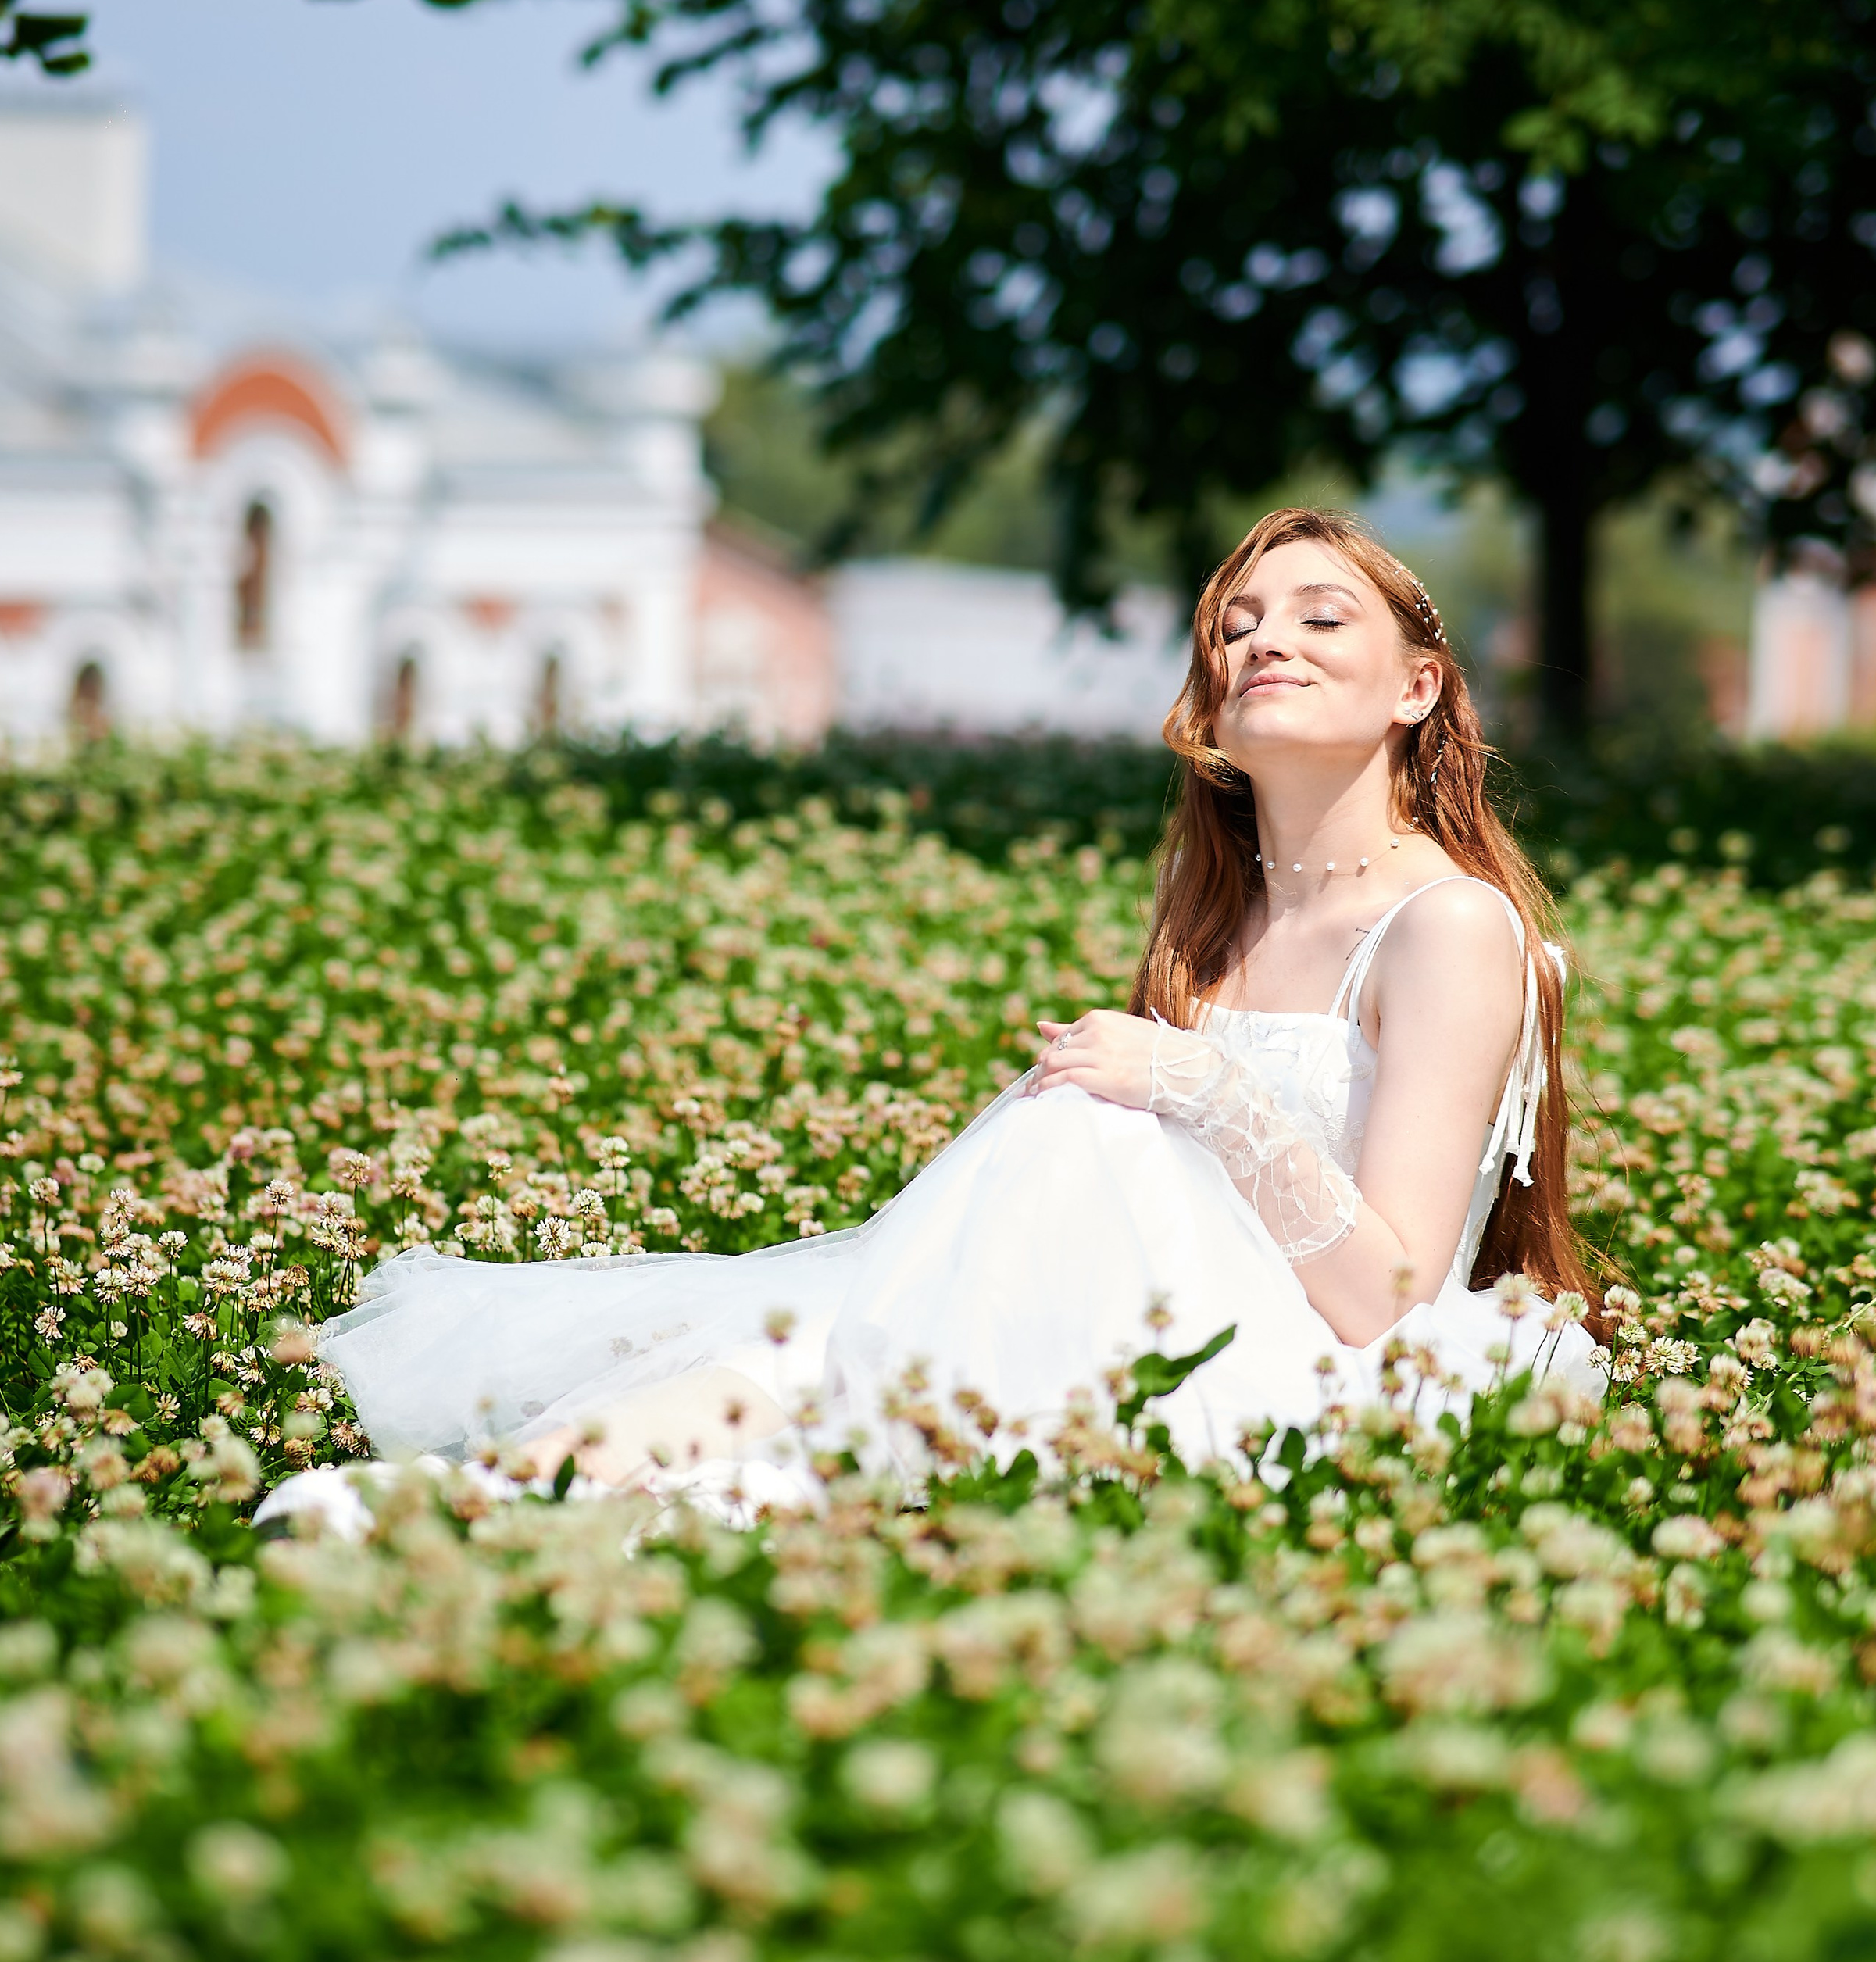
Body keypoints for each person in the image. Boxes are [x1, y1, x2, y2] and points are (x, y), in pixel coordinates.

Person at [299, 507, 1603, 1515]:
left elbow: (1383, 1291)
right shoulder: (1225, 918)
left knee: (942, 1295)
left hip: (1312, 1380)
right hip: (1156, 1325)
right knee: (819, 1345)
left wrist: (1195, 1087)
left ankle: (527, 1509)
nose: (1269, 639)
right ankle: (476, 1502)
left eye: (1323, 621)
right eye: (1239, 624)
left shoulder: (1447, 925)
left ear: (1417, 687)